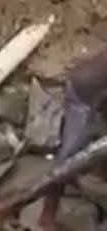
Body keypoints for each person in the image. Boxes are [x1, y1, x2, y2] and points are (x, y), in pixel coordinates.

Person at [41, 44, 107, 229]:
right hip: (83, 98)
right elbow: (99, 102)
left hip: (99, 94)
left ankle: (97, 176)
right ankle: (47, 216)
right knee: (67, 160)